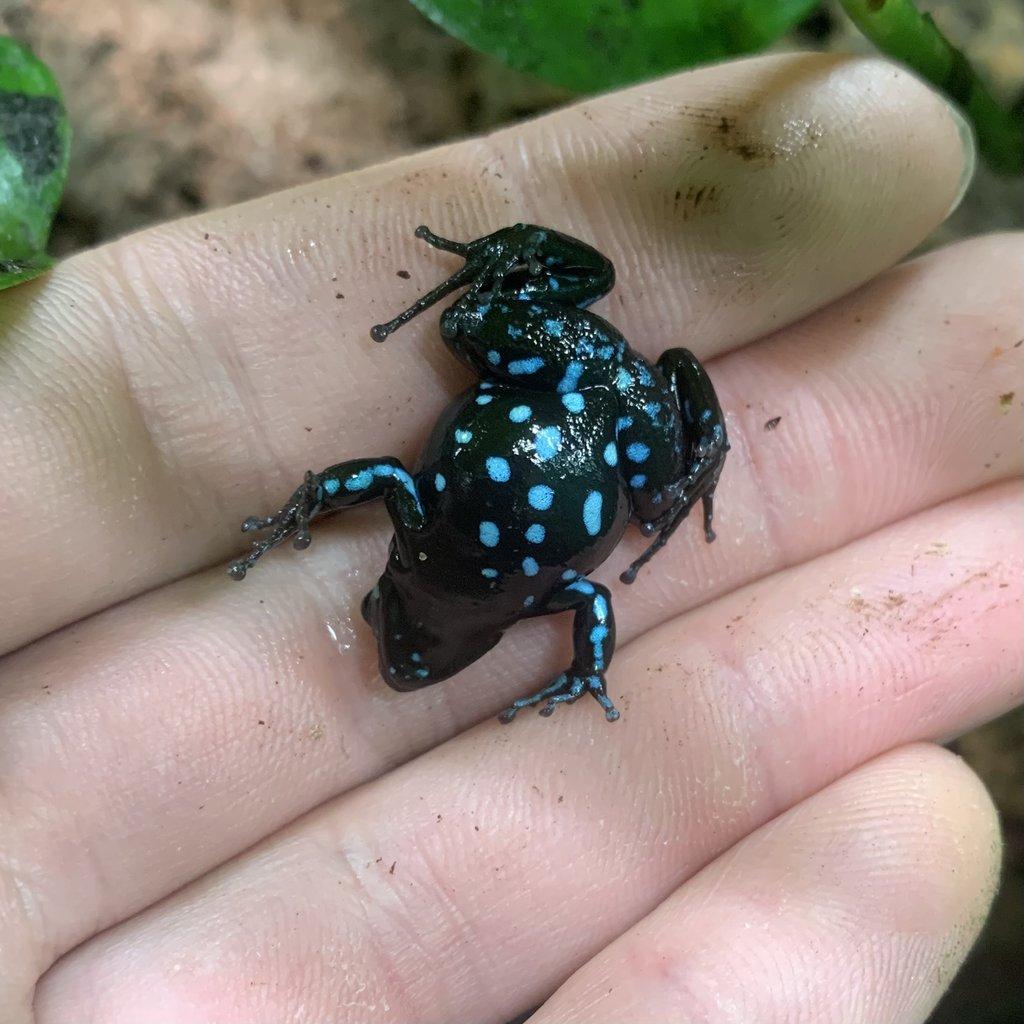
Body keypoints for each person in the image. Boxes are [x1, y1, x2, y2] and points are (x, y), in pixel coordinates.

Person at [1, 51, 1020, 1023]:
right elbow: (399, 487)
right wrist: (311, 511)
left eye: (392, 618)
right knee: (631, 479)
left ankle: (623, 378)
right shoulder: (485, 566)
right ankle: (665, 429)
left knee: (480, 346)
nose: (400, 639)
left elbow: (565, 585)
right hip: (608, 405)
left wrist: (300, 518)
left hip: (580, 387)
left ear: (413, 590)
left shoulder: (535, 594)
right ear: (462, 619)